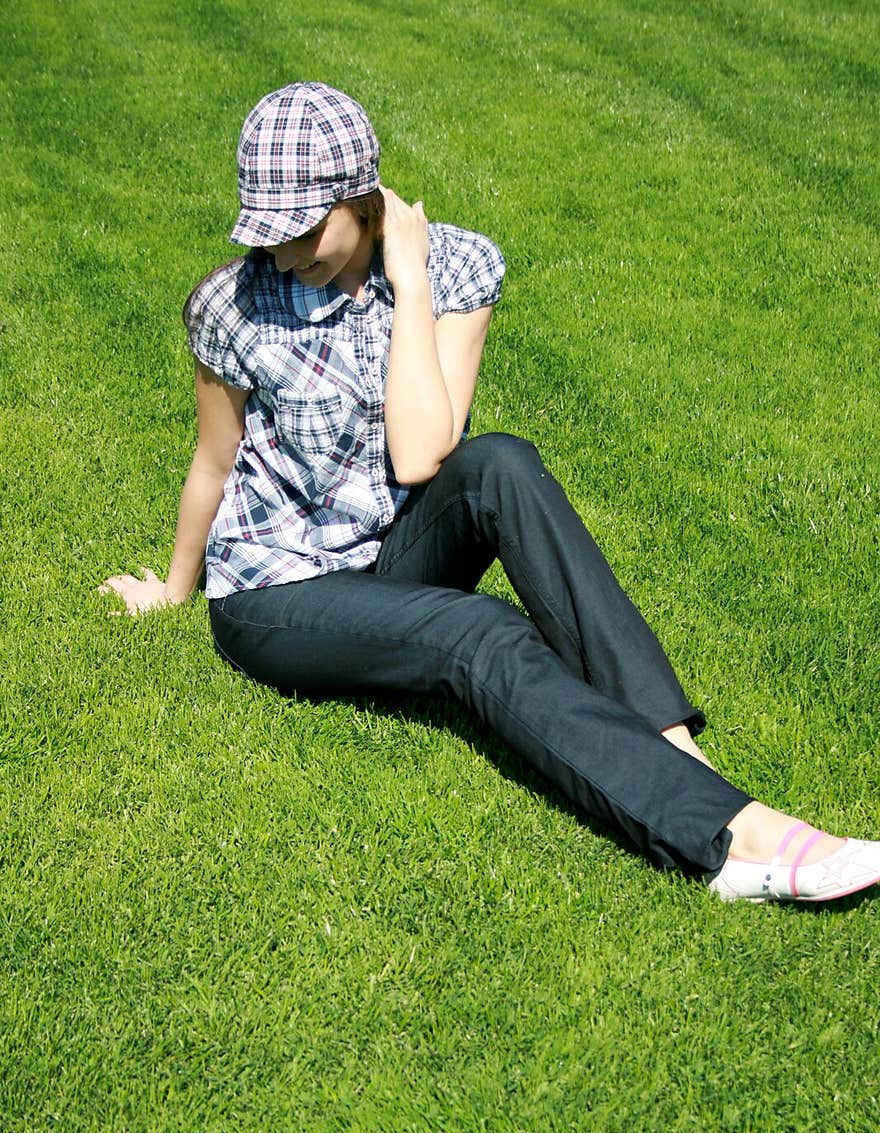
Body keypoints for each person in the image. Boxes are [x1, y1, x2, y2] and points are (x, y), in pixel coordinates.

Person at [99, 81, 880, 905]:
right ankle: (729, 840)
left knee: (500, 461)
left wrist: (409, 277)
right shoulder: (233, 305)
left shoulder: (458, 266)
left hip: (387, 561)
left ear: (363, 201)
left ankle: (673, 748)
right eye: (268, 232)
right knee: (479, 631)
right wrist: (176, 589)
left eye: (302, 230)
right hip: (278, 590)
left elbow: (426, 448)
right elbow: (214, 462)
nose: (285, 253)